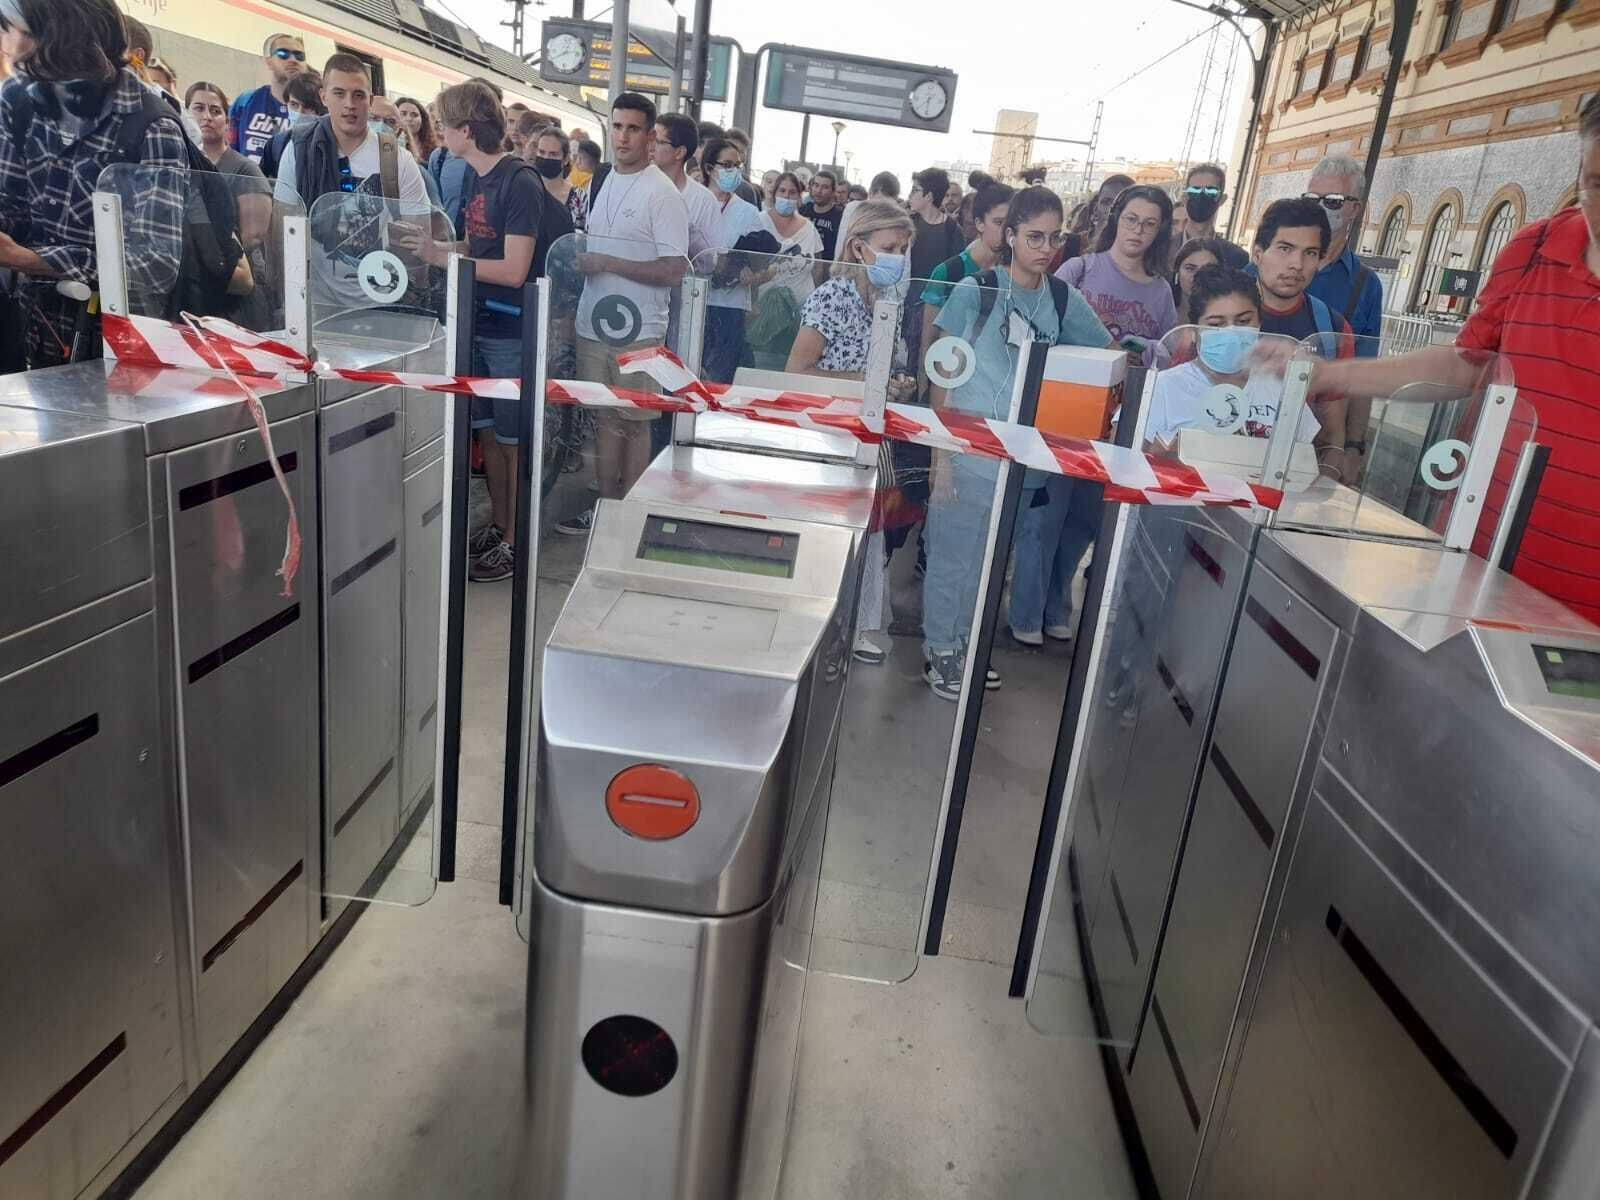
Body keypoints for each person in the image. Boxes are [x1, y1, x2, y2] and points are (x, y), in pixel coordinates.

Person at [1310, 93, 1600, 622]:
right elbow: (1463, 364)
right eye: (1598, 183)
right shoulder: (1532, 250)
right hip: (1477, 565)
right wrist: (1326, 372)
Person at [923, 187, 1112, 691]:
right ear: (1009, 237)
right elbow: (942, 372)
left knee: (992, 564)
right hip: (965, 451)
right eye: (1033, 236)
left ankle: (966, 644)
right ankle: (940, 650)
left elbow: (1105, 353)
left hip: (1023, 459)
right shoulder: (976, 290)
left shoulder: (1060, 297)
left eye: (1054, 237)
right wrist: (940, 456)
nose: (1045, 247)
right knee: (952, 557)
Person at [393, 82, 545, 583]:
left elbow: (514, 268)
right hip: (478, 324)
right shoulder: (478, 176)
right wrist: (445, 247)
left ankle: (515, 540)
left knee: (511, 441)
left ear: (465, 130)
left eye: (444, 122)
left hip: (508, 330)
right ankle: (502, 526)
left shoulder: (517, 181)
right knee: (491, 438)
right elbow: (483, 249)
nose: (438, 131)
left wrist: (444, 256)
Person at [0, 0, 187, 369]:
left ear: (69, 36)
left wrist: (30, 259)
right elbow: (10, 209)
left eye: (28, 33)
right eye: (8, 29)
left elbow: (154, 264)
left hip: (115, 350)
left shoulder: (151, 125)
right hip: (26, 335)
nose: (13, 47)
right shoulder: (17, 102)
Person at [787, 200, 916, 665]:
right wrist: (867, 383)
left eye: (903, 248)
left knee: (869, 532)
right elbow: (798, 369)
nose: (897, 257)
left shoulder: (889, 302)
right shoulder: (832, 297)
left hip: (871, 435)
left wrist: (896, 383)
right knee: (830, 534)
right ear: (859, 248)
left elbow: (883, 365)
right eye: (889, 247)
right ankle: (818, 625)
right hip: (830, 434)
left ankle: (856, 624)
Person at [554, 92, 688, 537]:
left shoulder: (663, 194)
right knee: (604, 421)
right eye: (616, 127)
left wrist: (608, 264)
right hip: (595, 325)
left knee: (637, 424)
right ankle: (608, 509)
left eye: (633, 128)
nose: (622, 136)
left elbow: (673, 271)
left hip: (640, 332)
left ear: (651, 137)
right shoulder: (604, 178)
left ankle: (631, 518)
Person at [1145, 265, 1321, 452]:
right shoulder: (1164, 386)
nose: (1232, 333)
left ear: (1259, 322)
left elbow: (1304, 458)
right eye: (1216, 324)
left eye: (1243, 321)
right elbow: (1127, 459)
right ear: (1195, 331)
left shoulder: (1281, 386)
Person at [1249, 196, 1356, 477]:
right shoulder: (1221, 313)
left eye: (1310, 253)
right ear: (1257, 253)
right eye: (1285, 248)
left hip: (1292, 480)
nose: (1296, 264)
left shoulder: (1331, 330)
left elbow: (1333, 438)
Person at [274, 54, 427, 209]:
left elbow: (419, 229)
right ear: (324, 97)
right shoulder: (298, 150)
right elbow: (284, 219)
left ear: (370, 100)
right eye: (339, 93)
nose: (349, 104)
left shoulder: (400, 161)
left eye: (358, 95)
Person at [1057, 183, 1178, 354]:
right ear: (1116, 219)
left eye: (1149, 224)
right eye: (1131, 219)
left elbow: (1169, 354)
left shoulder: (1161, 291)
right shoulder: (1078, 270)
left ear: (1160, 231)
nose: (1138, 230)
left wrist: (1146, 349)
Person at [698, 134, 766, 383]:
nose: (733, 171)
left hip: (730, 306)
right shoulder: (692, 201)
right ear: (709, 168)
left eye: (737, 165)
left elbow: (760, 261)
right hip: (693, 299)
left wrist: (751, 274)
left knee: (719, 379)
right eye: (726, 165)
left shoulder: (748, 211)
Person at [1303, 154, 1383, 346]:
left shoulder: (1366, 285)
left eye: (1333, 200)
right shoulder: (1268, 265)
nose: (1321, 208)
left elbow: (1363, 364)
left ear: (1355, 209)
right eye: (1312, 199)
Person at [746, 170, 821, 368]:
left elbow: (818, 271)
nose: (787, 197)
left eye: (792, 192)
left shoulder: (809, 229)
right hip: (763, 316)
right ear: (774, 193)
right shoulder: (758, 222)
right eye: (782, 191)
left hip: (800, 315)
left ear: (799, 196)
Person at [229, 32, 305, 164]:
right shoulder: (246, 101)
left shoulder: (315, 110)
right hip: (248, 182)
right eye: (283, 54)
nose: (293, 60)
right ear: (269, 62)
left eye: (299, 56)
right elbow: (228, 151)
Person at [652, 112, 717, 261]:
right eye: (650, 139)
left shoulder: (704, 200)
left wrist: (688, 233)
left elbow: (711, 262)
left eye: (658, 142)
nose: (650, 146)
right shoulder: (638, 186)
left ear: (679, 152)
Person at [907, 167, 964, 327]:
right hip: (907, 302)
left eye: (915, 190)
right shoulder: (907, 224)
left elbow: (956, 273)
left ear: (929, 196)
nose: (910, 195)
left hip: (936, 308)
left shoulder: (953, 229)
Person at [1177, 162, 1249, 268]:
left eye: (1211, 191)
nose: (1201, 196)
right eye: (1194, 191)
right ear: (1184, 198)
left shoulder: (1236, 257)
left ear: (1222, 199)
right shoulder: (1161, 249)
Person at [258, 71, 322, 180]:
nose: (299, 112)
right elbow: (262, 186)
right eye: (294, 105)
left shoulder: (332, 144)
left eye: (308, 107)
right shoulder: (275, 145)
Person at [532, 124, 586, 234]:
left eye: (553, 154)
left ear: (565, 159)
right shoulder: (525, 191)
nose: (546, 158)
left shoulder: (580, 198)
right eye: (541, 152)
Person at [834, 169, 899, 261]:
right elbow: (841, 246)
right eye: (879, 203)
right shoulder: (853, 209)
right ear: (870, 194)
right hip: (852, 270)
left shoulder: (899, 220)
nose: (881, 209)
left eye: (887, 206)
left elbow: (903, 260)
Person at [1170, 236, 1227, 326]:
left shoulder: (1228, 313)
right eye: (1190, 268)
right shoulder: (1160, 304)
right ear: (1177, 270)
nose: (1197, 276)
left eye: (1208, 269)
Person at [800, 168, 844, 263]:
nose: (819, 191)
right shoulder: (802, 211)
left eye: (825, 187)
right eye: (816, 185)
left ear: (833, 191)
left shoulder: (840, 217)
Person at [721, 126, 762, 206]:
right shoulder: (710, 181)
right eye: (733, 149)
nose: (736, 155)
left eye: (741, 151)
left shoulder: (748, 190)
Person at [395, 96, 436, 162]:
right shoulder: (389, 146)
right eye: (403, 114)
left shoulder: (436, 150)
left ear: (423, 120)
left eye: (414, 115)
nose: (409, 118)